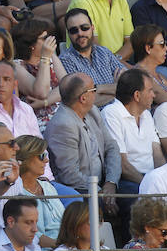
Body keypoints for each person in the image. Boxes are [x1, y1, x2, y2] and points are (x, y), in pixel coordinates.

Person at [0, 61, 54, 184]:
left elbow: (40, 149)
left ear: (15, 84)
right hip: (3, 181)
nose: (0, 84)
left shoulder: (26, 109)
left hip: (38, 179)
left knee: (74, 198)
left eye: (6, 79)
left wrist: (46, 178)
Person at [45, 73, 121, 206]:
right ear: (83, 98)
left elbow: (111, 146)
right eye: (94, 89)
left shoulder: (93, 111)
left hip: (104, 183)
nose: (96, 93)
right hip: (80, 190)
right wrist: (101, 192)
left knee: (137, 194)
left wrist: (111, 182)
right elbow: (70, 175)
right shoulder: (63, 125)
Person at [101, 68, 165, 192]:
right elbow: (122, 165)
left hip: (151, 178)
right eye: (150, 90)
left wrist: (163, 180)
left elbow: (157, 154)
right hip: (128, 180)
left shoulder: (146, 114)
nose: (154, 95)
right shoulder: (111, 113)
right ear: (137, 95)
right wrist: (150, 186)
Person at [58, 8, 125, 104]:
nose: (80, 33)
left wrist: (98, 88)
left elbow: (128, 84)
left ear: (92, 28)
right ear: (68, 34)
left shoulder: (104, 52)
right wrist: (116, 88)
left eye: (84, 28)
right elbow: (85, 101)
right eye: (73, 30)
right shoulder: (65, 61)